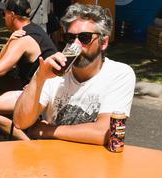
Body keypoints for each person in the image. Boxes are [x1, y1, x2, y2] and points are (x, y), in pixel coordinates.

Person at [13, 3, 135, 145]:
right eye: (70, 38)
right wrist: (39, 77)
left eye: (84, 38)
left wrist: (46, 131)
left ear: (103, 43)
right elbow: (20, 122)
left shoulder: (119, 74)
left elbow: (105, 132)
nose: (75, 45)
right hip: (52, 162)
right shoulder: (53, 73)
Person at [0, 0, 57, 139]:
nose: (2, 17)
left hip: (42, 94)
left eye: (4, 13)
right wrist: (9, 41)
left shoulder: (24, 38)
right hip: (44, 88)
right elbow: (2, 59)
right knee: (0, 86)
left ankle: (27, 140)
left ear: (12, 15)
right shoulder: (32, 30)